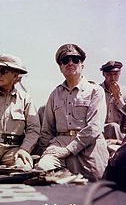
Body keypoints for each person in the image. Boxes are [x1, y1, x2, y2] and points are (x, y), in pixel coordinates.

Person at [36, 44, 109, 181]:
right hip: (59, 147)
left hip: (88, 149)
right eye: (65, 60)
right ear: (60, 67)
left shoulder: (95, 91)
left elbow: (94, 128)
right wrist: (42, 153)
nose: (70, 63)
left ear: (82, 65)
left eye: (75, 60)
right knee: (43, 169)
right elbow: (47, 130)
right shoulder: (55, 94)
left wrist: (69, 150)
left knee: (94, 186)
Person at [99, 60, 126, 145]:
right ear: (104, 74)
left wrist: (118, 97)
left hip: (120, 132)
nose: (113, 78)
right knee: (112, 126)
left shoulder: (125, 92)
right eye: (110, 74)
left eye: (115, 74)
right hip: (101, 129)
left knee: (114, 127)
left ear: (119, 74)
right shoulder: (97, 90)